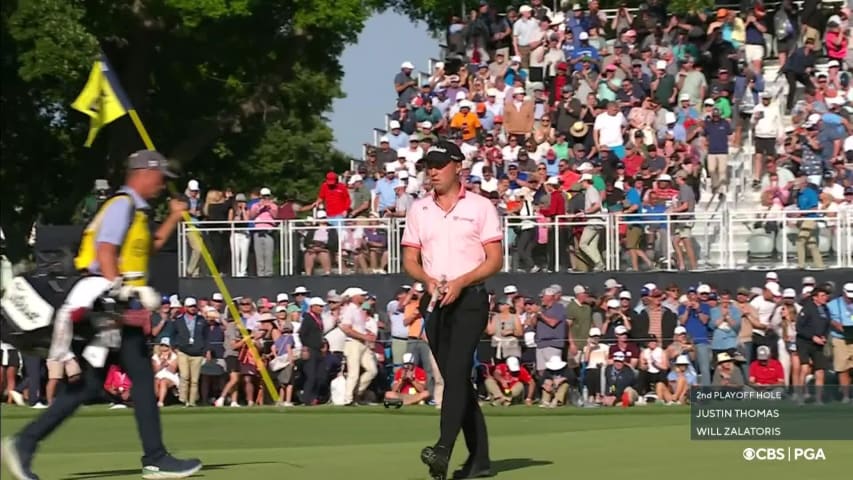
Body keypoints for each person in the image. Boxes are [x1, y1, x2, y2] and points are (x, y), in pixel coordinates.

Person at [1, 150, 202, 480]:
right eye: (161, 178)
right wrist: (119, 294)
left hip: (111, 307)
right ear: (143, 173)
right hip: (105, 307)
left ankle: (25, 443)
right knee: (138, 375)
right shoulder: (122, 206)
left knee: (88, 385)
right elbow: (105, 252)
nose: (163, 185)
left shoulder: (136, 212)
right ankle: (156, 458)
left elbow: (148, 247)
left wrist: (175, 216)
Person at [401, 141, 503, 480]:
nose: (432, 171)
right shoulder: (419, 209)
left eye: (440, 164)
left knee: (457, 372)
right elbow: (410, 260)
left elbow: (494, 260)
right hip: (435, 301)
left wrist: (460, 281)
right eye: (429, 164)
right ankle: (481, 460)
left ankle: (443, 448)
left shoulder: (480, 206)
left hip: (470, 298)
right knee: (456, 379)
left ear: (458, 166)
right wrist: (427, 280)